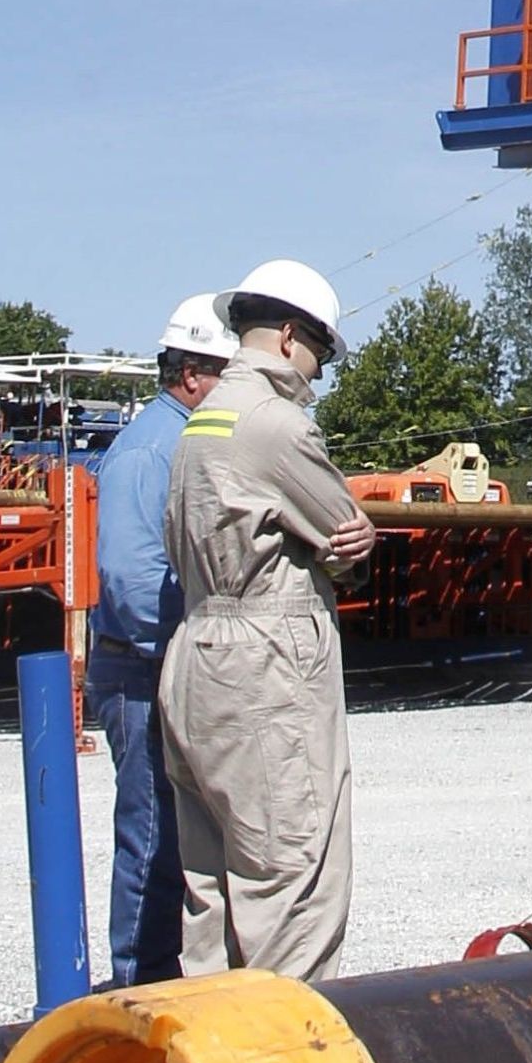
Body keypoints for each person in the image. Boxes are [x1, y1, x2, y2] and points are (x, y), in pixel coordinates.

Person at [159, 258, 375, 981]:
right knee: (292, 883)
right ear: (289, 336)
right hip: (266, 662)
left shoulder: (203, 420)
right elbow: (342, 539)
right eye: (320, 353)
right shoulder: (277, 426)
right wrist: (361, 545)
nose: (319, 372)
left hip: (197, 651)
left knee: (213, 888)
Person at [88, 293, 233, 987]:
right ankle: (135, 988)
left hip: (161, 663)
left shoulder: (180, 440)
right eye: (227, 378)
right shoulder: (151, 450)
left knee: (180, 835)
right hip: (141, 671)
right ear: (194, 376)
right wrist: (193, 641)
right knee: (151, 838)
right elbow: (129, 575)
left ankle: (159, 979)